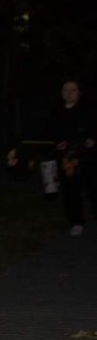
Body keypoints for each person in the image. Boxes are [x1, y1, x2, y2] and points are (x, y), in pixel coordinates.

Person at [53, 79, 97, 236]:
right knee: (71, 190)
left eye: (73, 90)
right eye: (65, 90)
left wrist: (92, 139)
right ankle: (76, 222)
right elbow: (49, 133)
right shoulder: (56, 112)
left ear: (79, 92)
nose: (69, 93)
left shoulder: (88, 109)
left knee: (93, 187)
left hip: (87, 157)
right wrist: (57, 143)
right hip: (66, 158)